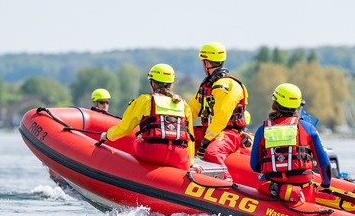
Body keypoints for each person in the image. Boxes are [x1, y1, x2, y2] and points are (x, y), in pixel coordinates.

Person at [99, 64, 195, 170]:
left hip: (152, 152)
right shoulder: (184, 105)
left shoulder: (145, 100)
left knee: (136, 142)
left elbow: (125, 128)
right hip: (178, 156)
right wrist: (190, 163)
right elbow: (190, 136)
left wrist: (107, 135)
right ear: (171, 84)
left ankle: (138, 174)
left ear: (152, 83)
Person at [250, 83, 332, 203]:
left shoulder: (262, 130)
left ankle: (283, 194)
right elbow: (324, 162)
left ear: (275, 104)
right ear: (297, 105)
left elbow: (254, 165)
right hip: (304, 190)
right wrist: (325, 185)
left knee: (261, 179)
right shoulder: (308, 128)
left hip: (276, 189)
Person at [188, 42, 248, 177]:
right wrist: (174, 115)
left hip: (230, 133)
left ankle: (226, 182)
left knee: (212, 152)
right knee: (185, 137)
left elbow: (221, 117)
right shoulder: (208, 84)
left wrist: (205, 141)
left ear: (207, 63)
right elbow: (191, 110)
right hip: (212, 131)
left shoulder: (226, 85)